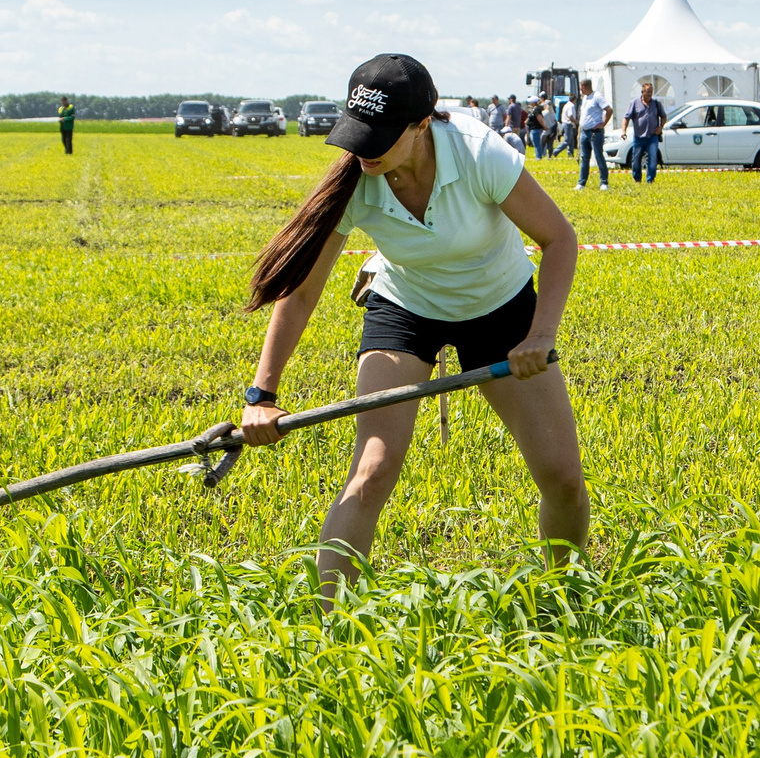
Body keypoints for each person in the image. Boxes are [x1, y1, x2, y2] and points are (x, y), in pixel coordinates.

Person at [240, 54, 585, 594]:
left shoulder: (478, 153)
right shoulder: (356, 180)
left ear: (422, 125)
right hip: (406, 308)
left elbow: (559, 239)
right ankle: (330, 624)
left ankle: (561, 598)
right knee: (371, 470)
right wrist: (262, 395)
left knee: (562, 476)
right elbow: (302, 292)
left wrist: (540, 335)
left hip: (501, 309)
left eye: (379, 137)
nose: (364, 150)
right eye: (358, 134)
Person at [625, 79, 667, 183]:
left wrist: (661, 126)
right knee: (636, 160)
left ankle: (650, 180)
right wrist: (623, 131)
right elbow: (626, 117)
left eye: (651, 92)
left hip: (652, 137)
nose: (649, 94)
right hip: (638, 137)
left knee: (652, 159)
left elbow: (663, 116)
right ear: (642, 92)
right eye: (647, 91)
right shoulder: (635, 103)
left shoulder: (656, 103)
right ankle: (637, 179)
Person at [574, 79, 609, 190]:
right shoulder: (585, 98)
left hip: (595, 132)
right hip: (584, 132)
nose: (580, 90)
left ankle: (604, 182)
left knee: (598, 156)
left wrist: (603, 124)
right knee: (584, 158)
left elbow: (609, 110)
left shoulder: (597, 96)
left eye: (581, 87)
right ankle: (581, 183)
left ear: (585, 87)